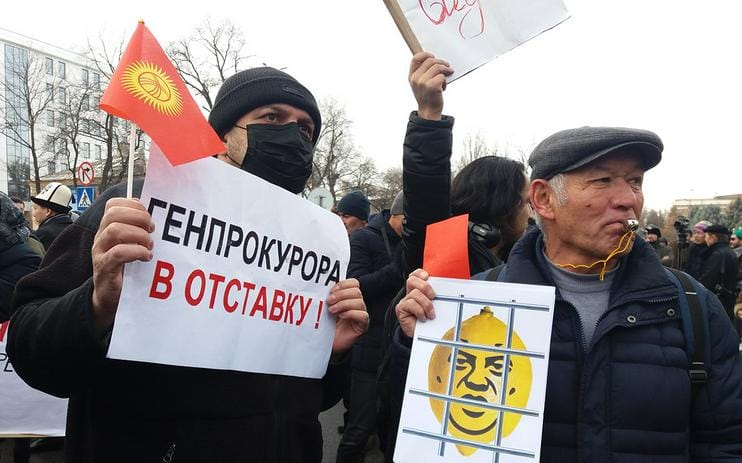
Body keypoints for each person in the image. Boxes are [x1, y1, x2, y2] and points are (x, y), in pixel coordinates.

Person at [8, 67, 368, 463]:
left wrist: (328, 353)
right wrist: (95, 304)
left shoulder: (315, 240)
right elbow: (30, 352)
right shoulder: (140, 205)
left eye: (304, 129)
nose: (292, 135)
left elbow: (313, 400)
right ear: (222, 137)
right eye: (272, 117)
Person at [394, 52, 742, 462]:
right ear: (544, 199)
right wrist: (417, 345)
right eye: (603, 181)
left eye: (635, 181)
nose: (628, 199)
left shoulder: (692, 307)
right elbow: (433, 432)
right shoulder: (479, 300)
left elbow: (726, 442)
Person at [380, 53, 531, 462]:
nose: (530, 213)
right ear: (504, 205)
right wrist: (429, 116)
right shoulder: (445, 246)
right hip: (428, 430)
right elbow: (426, 191)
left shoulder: (523, 264)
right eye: (524, 202)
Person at [336, 191, 405, 463]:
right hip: (368, 349)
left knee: (390, 430)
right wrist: (397, 269)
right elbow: (355, 287)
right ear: (398, 216)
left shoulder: (409, 241)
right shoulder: (364, 239)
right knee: (358, 431)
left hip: (397, 350)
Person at [699, 224, 739, 323]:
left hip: (717, 302)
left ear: (713, 237)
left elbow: (707, 281)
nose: (705, 239)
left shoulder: (717, 254)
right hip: (727, 301)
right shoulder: (729, 252)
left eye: (706, 236)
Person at [29, 182, 73, 250]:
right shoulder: (73, 228)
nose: (34, 214)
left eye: (35, 208)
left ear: (48, 211)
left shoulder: (43, 234)